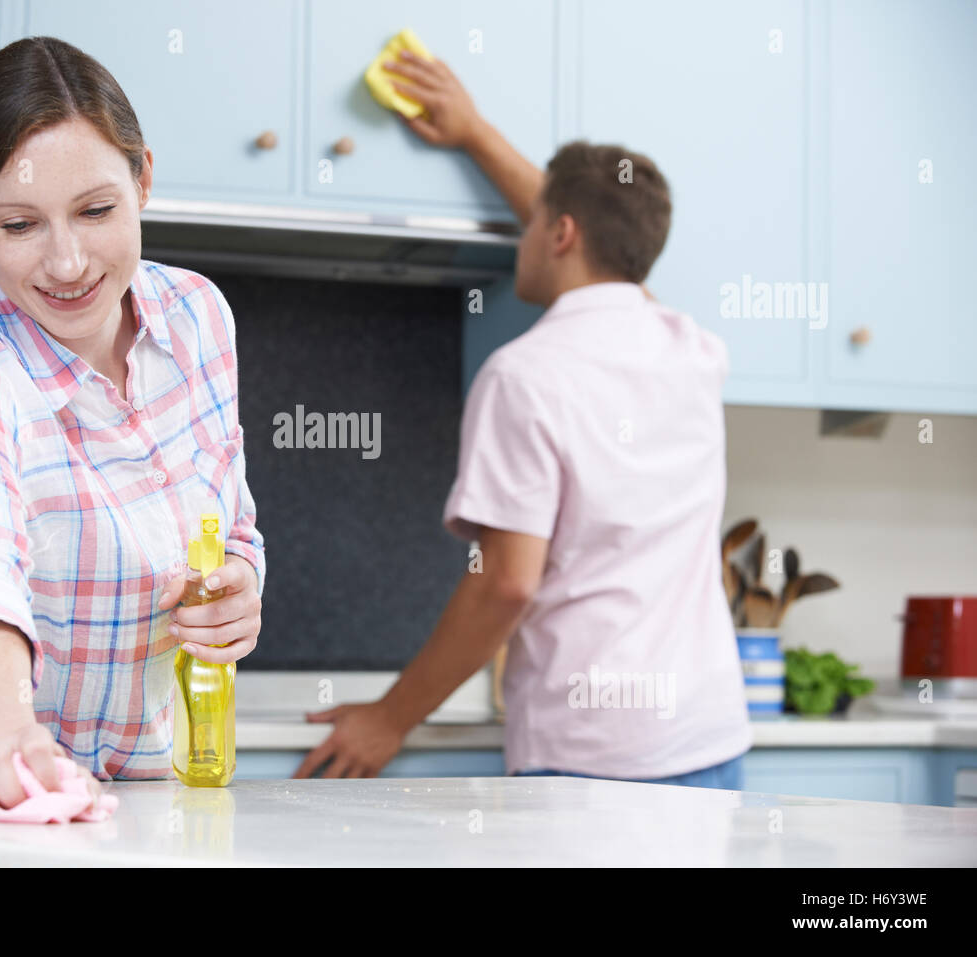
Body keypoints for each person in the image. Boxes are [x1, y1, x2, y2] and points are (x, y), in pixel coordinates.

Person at [295, 51, 752, 788]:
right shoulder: (694, 349)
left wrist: (389, 718)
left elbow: (506, 583)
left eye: (535, 221)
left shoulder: (525, 374)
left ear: (560, 232)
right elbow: (611, 245)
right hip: (709, 737)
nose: (525, 233)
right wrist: (474, 134)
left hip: (592, 757)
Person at [0, 37, 265, 808]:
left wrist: (238, 588)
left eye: (96, 210)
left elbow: (233, 528)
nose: (69, 261)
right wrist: (1, 731)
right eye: (21, 225)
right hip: (3, 806)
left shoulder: (198, 319)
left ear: (143, 178)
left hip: (157, 810)